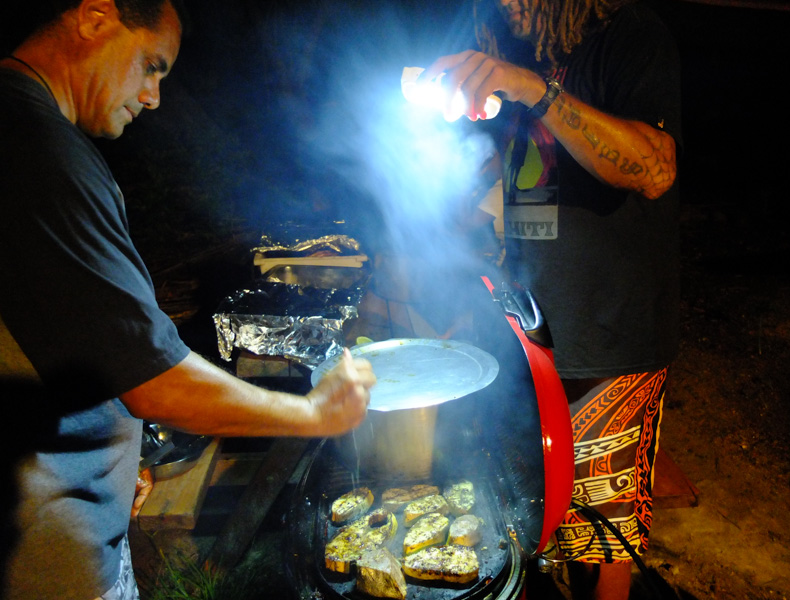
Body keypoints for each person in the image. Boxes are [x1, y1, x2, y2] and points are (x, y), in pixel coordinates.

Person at [0, 1, 376, 599]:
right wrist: (315, 414)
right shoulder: (34, 150)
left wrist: (122, 460)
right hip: (42, 561)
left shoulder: (26, 133)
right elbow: (153, 378)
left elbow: (70, 341)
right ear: (97, 16)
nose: (152, 96)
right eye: (151, 65)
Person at [420, 0, 681, 598]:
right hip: (536, 325)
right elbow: (519, 166)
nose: (505, 4)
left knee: (602, 536)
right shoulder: (516, 50)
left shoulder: (631, 35)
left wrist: (533, 89)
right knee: (547, 518)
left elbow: (654, 168)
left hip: (612, 330)